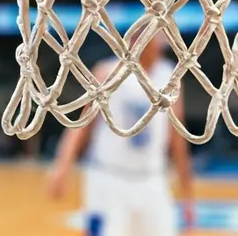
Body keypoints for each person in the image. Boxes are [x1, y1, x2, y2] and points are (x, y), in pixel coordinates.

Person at [47, 33, 194, 236]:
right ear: (138, 40)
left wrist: (187, 193)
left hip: (152, 178)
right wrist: (63, 165)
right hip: (109, 177)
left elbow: (177, 136)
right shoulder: (108, 71)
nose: (160, 46)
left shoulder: (169, 76)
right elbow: (81, 125)